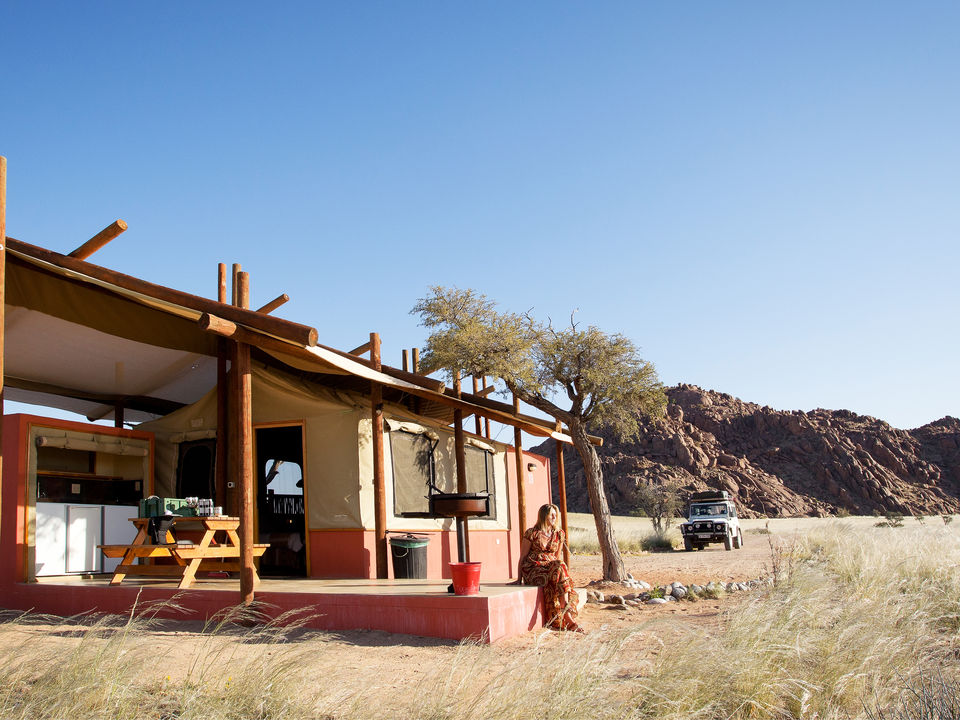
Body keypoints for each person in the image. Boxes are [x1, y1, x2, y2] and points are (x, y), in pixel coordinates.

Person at [515, 503, 583, 632]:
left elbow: (557, 557)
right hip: (533, 568)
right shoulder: (532, 533)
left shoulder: (559, 534)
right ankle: (565, 612)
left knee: (560, 565)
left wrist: (557, 570)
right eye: (551, 514)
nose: (554, 517)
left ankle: (564, 609)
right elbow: (523, 556)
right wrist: (519, 579)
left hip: (551, 568)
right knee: (559, 568)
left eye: (555, 515)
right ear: (543, 516)